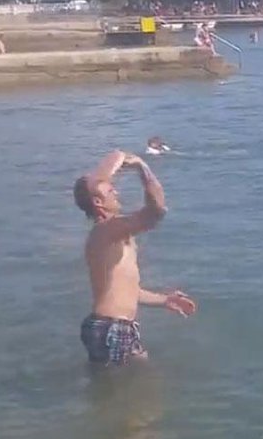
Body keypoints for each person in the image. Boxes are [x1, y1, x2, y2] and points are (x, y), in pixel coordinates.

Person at [74, 150, 197, 366]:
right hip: (114, 328)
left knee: (127, 382)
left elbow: (127, 290)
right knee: (141, 383)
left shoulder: (106, 236)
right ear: (98, 202)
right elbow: (156, 211)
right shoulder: (107, 230)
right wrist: (142, 168)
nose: (116, 192)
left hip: (107, 327)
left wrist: (164, 300)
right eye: (110, 191)